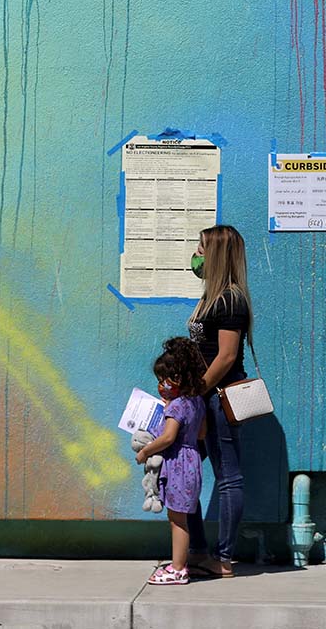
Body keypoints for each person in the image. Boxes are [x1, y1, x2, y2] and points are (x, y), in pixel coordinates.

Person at [185, 225, 254, 579]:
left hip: (218, 399)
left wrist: (196, 393)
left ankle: (223, 558)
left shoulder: (229, 299)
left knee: (228, 477)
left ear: (214, 255)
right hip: (202, 400)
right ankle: (196, 548)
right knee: (184, 470)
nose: (195, 255)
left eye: (199, 248)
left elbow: (226, 357)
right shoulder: (211, 296)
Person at [138, 337, 208, 586]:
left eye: (163, 380)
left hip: (178, 464)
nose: (160, 386)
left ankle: (178, 568)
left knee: (177, 520)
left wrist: (145, 451)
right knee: (182, 517)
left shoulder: (176, 406)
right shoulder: (197, 402)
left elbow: (168, 437)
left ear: (177, 379)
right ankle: (178, 565)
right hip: (192, 462)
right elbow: (201, 434)